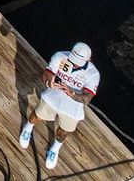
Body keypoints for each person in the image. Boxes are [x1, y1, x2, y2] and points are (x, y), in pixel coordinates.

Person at [20, 43, 101, 171]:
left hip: (72, 109)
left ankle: (55, 148)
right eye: (73, 59)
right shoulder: (60, 56)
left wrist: (72, 94)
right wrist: (49, 83)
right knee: (37, 115)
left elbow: (86, 98)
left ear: (89, 60)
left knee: (63, 131)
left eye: (79, 63)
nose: (74, 64)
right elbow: (47, 74)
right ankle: (28, 128)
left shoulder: (93, 74)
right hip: (52, 98)